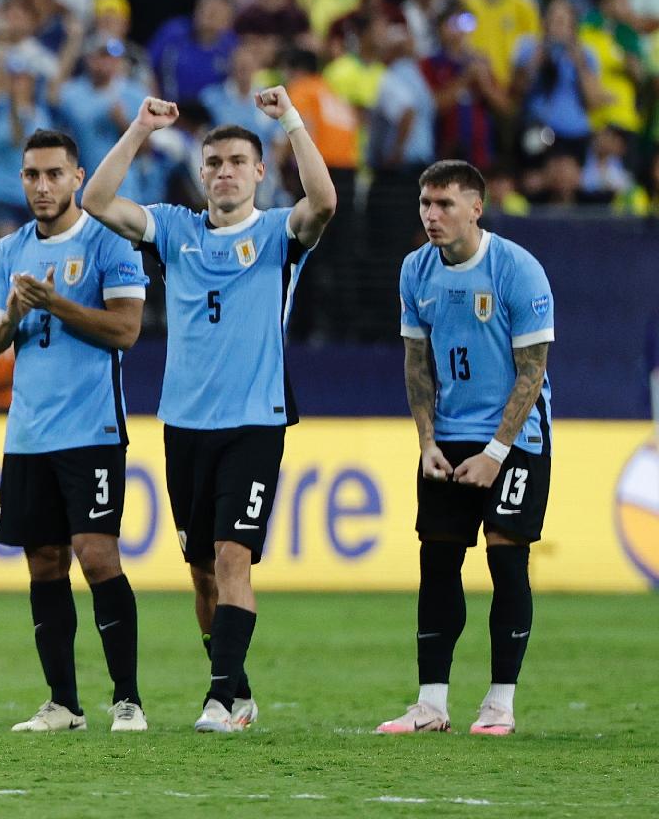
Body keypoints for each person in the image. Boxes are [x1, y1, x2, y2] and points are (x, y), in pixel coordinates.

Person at [81, 89, 337, 733]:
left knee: (231, 558)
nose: (225, 172)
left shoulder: (278, 234)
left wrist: (291, 120)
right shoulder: (176, 230)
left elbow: (325, 202)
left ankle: (219, 700)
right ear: (201, 174)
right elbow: (97, 200)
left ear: (260, 172)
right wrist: (140, 128)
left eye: (237, 162)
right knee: (201, 573)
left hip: (254, 422)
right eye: (214, 162)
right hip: (185, 424)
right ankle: (238, 689)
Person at [0, 129, 149, 733]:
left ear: (78, 177)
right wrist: (17, 312)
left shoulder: (109, 239)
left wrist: (55, 304)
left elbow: (127, 330)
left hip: (92, 429)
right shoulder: (10, 249)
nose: (42, 186)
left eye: (54, 174)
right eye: (31, 175)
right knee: (43, 563)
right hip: (28, 434)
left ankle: (127, 700)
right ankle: (63, 704)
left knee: (97, 556)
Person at [376, 161, 554, 738]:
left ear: (476, 208)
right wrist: (426, 441)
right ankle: (430, 705)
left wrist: (496, 452)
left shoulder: (516, 269)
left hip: (516, 437)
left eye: (444, 204)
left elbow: (532, 371)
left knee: (506, 559)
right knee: (437, 562)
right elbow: (417, 363)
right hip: (449, 435)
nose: (432, 215)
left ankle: (500, 704)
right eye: (425, 204)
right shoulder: (415, 270)